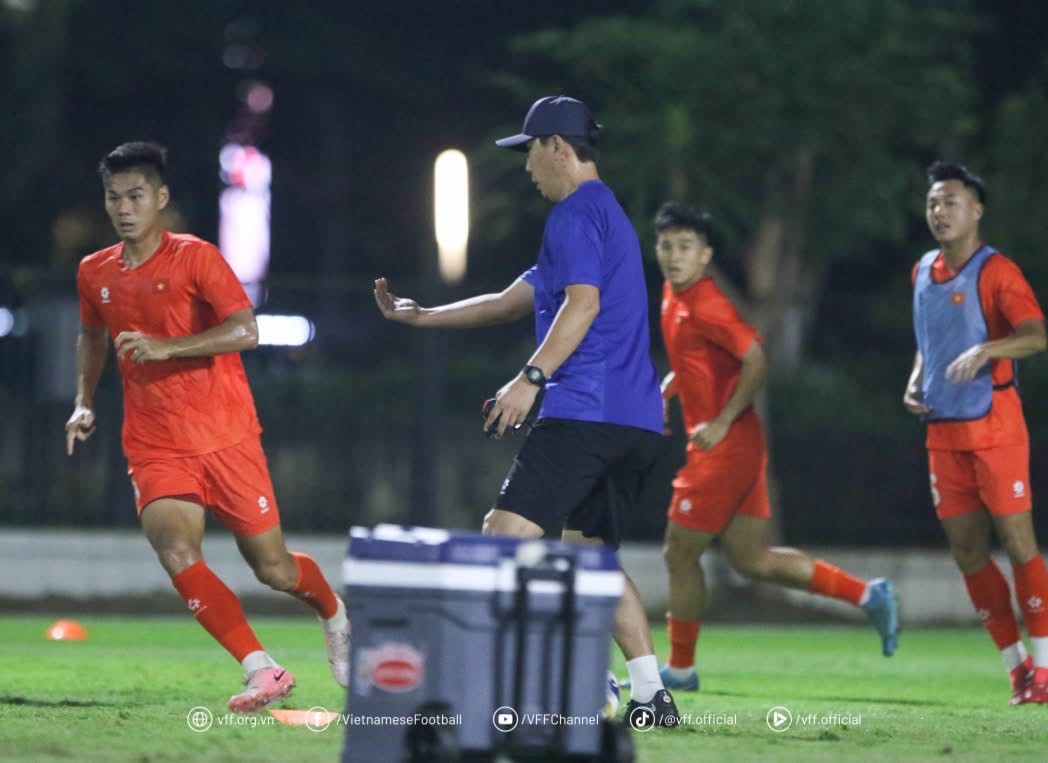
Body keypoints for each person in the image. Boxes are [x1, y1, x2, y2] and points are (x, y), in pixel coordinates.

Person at [374, 96, 679, 726]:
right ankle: (650, 693)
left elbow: (582, 304)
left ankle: (536, 680)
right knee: (591, 561)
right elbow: (510, 300)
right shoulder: (607, 215)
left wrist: (530, 379)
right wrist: (424, 316)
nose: (526, 166)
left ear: (558, 147)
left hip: (585, 410)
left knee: (503, 536)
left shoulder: (573, 214)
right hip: (636, 422)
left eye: (530, 150)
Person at [66, 142, 350, 713]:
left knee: (274, 569)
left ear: (160, 198)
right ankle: (262, 669)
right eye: (114, 197)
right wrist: (83, 400)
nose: (124, 208)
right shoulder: (94, 271)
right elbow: (93, 336)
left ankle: (335, 612)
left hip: (227, 436)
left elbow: (247, 331)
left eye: (136, 196)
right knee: (176, 549)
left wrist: (167, 348)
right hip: (154, 442)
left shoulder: (196, 257)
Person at [652, 201, 899, 692]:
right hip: (739, 447)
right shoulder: (671, 295)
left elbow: (756, 358)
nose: (675, 255)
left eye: (685, 247)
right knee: (752, 560)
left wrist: (722, 421)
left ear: (706, 255)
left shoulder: (707, 303)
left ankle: (680, 669)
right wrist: (668, 389)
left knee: (678, 554)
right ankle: (868, 595)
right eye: (667, 246)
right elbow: (698, 362)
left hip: (724, 449)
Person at [905, 161, 1048, 705]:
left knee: (1018, 545)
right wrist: (915, 378)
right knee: (967, 552)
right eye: (933, 203)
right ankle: (1016, 668)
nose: (939, 212)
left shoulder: (997, 272)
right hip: (942, 434)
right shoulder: (922, 270)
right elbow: (929, 340)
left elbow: (1035, 335)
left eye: (951, 202)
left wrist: (988, 349)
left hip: (996, 430)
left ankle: (1046, 666)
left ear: (976, 210)